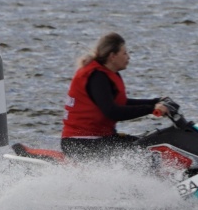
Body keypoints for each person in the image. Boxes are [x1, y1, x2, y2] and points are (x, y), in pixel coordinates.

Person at [59, 32, 178, 161]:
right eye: (125, 53)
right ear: (113, 56)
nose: (129, 57)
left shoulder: (108, 74)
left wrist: (156, 102)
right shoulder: (97, 77)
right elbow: (113, 112)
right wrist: (151, 109)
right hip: (81, 143)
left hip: (99, 138)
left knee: (151, 143)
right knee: (143, 156)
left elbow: (122, 103)